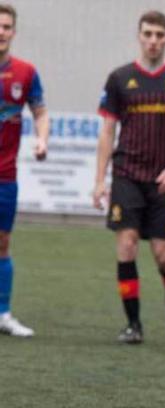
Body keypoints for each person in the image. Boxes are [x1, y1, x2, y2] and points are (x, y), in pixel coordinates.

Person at [92, 10, 165, 344]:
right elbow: (108, 131)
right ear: (139, 36)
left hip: (163, 179)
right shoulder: (119, 79)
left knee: (164, 254)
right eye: (147, 34)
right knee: (126, 245)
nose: (153, 40)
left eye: (159, 35)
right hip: (126, 174)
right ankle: (133, 325)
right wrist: (100, 180)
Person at [0, 3, 48, 339]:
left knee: (2, 244)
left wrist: (42, 139)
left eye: (6, 26)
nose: (1, 32)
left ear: (13, 31)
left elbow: (40, 112)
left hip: (5, 175)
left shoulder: (26, 72)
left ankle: (2, 313)